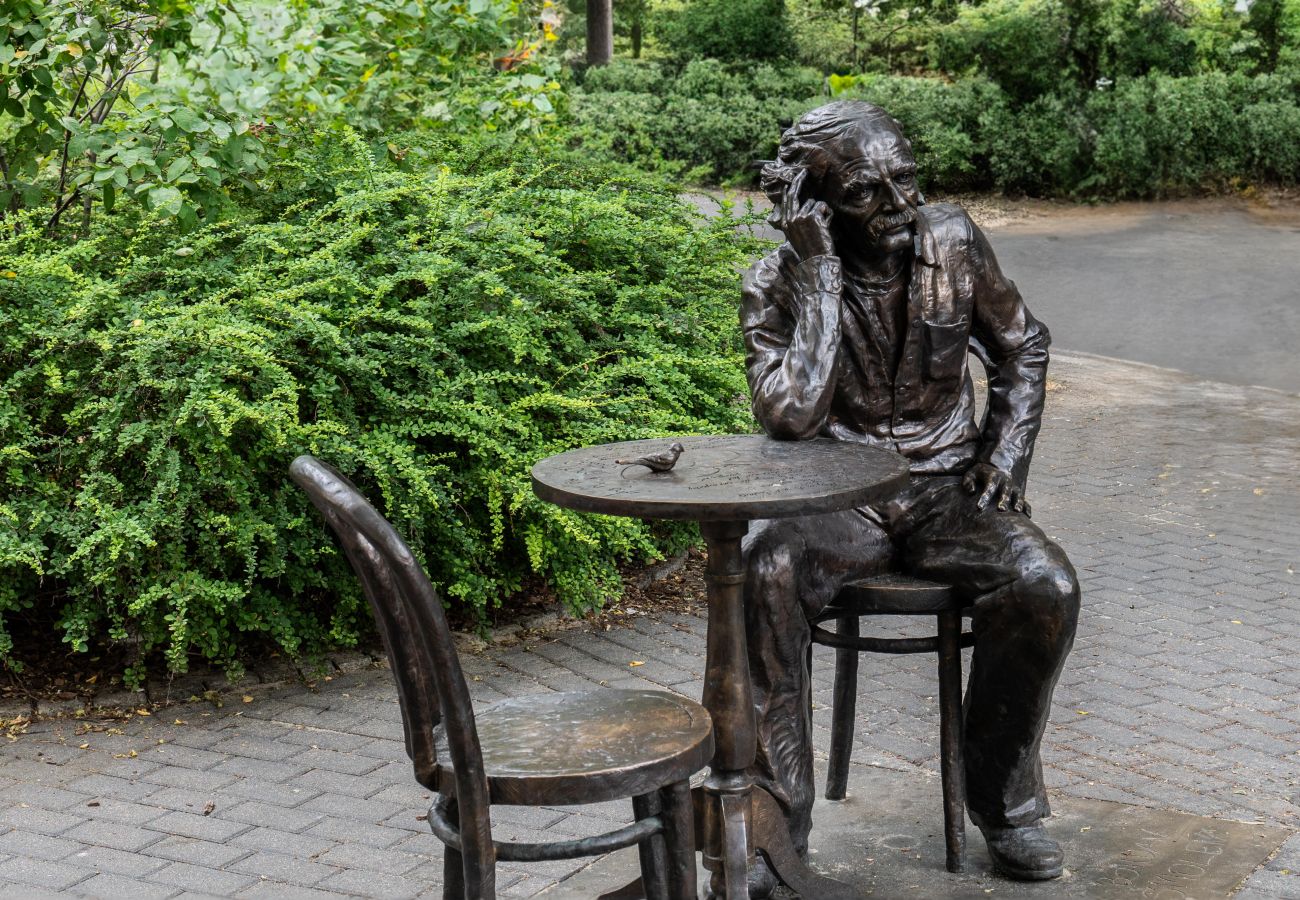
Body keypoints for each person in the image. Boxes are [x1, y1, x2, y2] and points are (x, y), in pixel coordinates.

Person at [740, 100, 1080, 889]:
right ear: (812, 205)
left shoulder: (954, 241)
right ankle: (773, 832)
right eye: (866, 192)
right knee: (762, 573)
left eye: (907, 180)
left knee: (1045, 583)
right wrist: (820, 276)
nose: (899, 205)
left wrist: (1005, 458)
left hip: (948, 489)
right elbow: (790, 416)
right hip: (833, 496)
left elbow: (1023, 345)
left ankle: (1005, 807)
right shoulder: (774, 283)